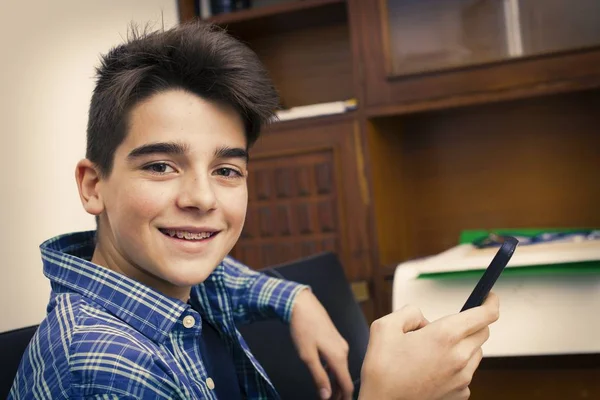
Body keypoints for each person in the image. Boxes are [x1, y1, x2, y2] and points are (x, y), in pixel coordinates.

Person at [9, 21, 499, 400]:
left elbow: (224, 275)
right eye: (161, 166)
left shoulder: (164, 277)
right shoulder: (106, 371)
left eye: (226, 171)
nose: (202, 198)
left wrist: (295, 299)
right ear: (94, 185)